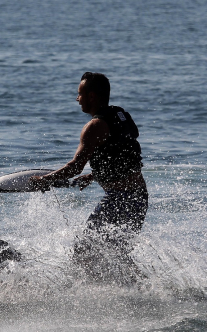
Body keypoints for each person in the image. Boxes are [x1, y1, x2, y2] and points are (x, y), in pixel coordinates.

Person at [31, 72, 148, 276]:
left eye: (80, 94)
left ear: (91, 96)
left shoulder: (93, 127)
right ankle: (145, 290)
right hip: (139, 198)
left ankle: (88, 293)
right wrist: (96, 175)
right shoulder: (122, 116)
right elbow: (123, 154)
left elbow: (75, 166)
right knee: (118, 253)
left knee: (83, 252)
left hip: (119, 200)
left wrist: (44, 180)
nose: (77, 99)